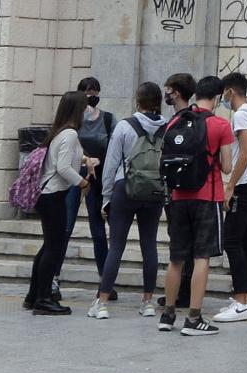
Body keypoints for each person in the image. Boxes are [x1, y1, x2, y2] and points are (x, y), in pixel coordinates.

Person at [160, 76, 234, 336]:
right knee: (201, 257)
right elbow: (226, 167)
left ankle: (167, 315)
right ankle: (193, 318)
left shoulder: (174, 122)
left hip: (179, 197)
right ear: (217, 97)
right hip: (207, 196)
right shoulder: (220, 125)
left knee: (176, 258)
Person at [89, 82, 168, 320]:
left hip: (126, 187)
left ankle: (102, 303)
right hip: (154, 190)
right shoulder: (167, 127)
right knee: (149, 245)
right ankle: (148, 302)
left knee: (117, 247)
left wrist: (106, 197)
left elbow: (112, 164)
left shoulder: (125, 126)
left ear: (138, 100)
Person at [25, 91, 93, 315]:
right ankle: (43, 299)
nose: (88, 110)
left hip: (49, 196)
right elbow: (63, 168)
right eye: (85, 106)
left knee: (48, 246)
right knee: (54, 248)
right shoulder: (70, 133)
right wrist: (83, 182)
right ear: (77, 109)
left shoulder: (61, 132)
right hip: (53, 196)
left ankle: (34, 295)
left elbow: (63, 159)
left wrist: (85, 160)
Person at [214, 72, 247, 323]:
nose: (223, 98)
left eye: (224, 93)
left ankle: (241, 300)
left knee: (232, 241)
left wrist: (230, 186)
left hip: (245, 184)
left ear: (230, 92)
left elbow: (244, 153)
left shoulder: (242, 115)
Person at [60, 77, 111, 294]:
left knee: (98, 229)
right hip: (73, 174)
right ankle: (54, 277)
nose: (92, 97)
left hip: (96, 177)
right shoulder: (71, 121)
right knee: (66, 226)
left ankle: (105, 280)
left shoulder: (107, 119)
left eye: (96, 92)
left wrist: (100, 160)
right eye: (89, 93)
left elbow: (114, 147)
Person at [160, 73, 197, 309]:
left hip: (180, 190)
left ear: (176, 92)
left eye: (169, 90)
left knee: (183, 244)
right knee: (183, 242)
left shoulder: (184, 120)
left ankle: (183, 291)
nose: (166, 94)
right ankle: (182, 291)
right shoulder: (186, 119)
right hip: (178, 189)